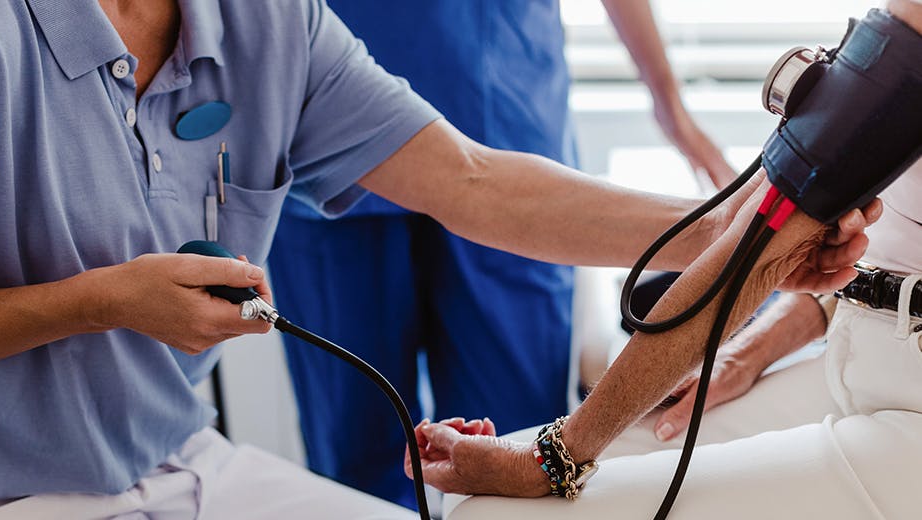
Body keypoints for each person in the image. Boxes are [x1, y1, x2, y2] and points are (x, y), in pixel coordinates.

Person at [0, 0, 870, 518]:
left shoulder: (269, 26)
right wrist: (102, 302)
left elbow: (479, 183)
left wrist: (745, 233)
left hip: (181, 467)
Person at [405, 4, 922, 519]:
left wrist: (554, 459)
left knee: (491, 515)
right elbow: (865, 265)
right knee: (472, 490)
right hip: (852, 363)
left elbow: (760, 242)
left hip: (908, 407)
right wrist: (744, 355)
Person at [269, 0, 734, 508]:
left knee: (516, 445)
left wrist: (668, 101)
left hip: (503, 116)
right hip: (328, 139)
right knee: (355, 456)